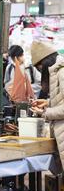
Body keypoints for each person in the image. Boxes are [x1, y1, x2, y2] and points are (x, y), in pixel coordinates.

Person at [29, 41, 64, 172]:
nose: (39, 71)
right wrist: (47, 102)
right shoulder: (58, 71)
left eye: (39, 68)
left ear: (45, 63)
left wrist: (45, 112)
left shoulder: (61, 72)